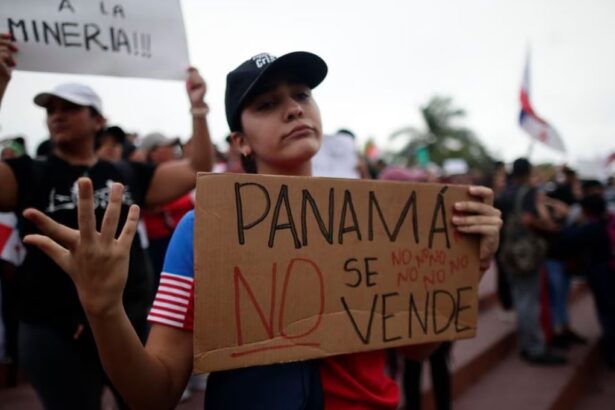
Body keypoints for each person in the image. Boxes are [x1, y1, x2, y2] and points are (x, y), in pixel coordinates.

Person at [22, 51, 502, 409]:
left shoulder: (374, 216)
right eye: (269, 103)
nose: (294, 109)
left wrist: (467, 265)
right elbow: (157, 393)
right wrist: (104, 309)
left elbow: (419, 345)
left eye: (302, 95)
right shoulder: (202, 231)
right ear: (240, 141)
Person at [0, 32, 213, 409]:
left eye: (70, 107)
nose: (57, 115)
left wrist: (198, 109)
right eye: (51, 110)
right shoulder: (29, 173)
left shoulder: (126, 174)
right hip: (51, 328)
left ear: (98, 120)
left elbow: (199, 168)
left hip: (125, 321)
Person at [496, 158, 567, 365]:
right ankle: (534, 348)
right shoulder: (527, 192)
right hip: (525, 252)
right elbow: (528, 220)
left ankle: (527, 344)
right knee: (529, 302)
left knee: (520, 298)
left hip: (507, 251)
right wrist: (547, 226)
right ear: (528, 172)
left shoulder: (505, 192)